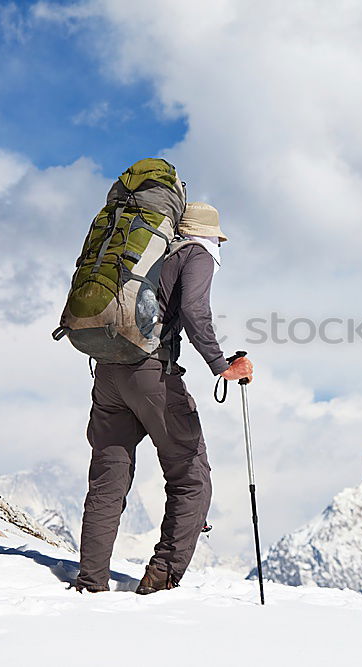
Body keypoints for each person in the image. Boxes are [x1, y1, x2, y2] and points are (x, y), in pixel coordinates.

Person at [74, 201, 253, 594]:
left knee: (108, 479)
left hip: (107, 370)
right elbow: (193, 309)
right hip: (152, 373)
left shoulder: (144, 257)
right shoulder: (197, 254)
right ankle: (160, 579)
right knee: (191, 476)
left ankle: (90, 583)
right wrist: (221, 365)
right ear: (208, 235)